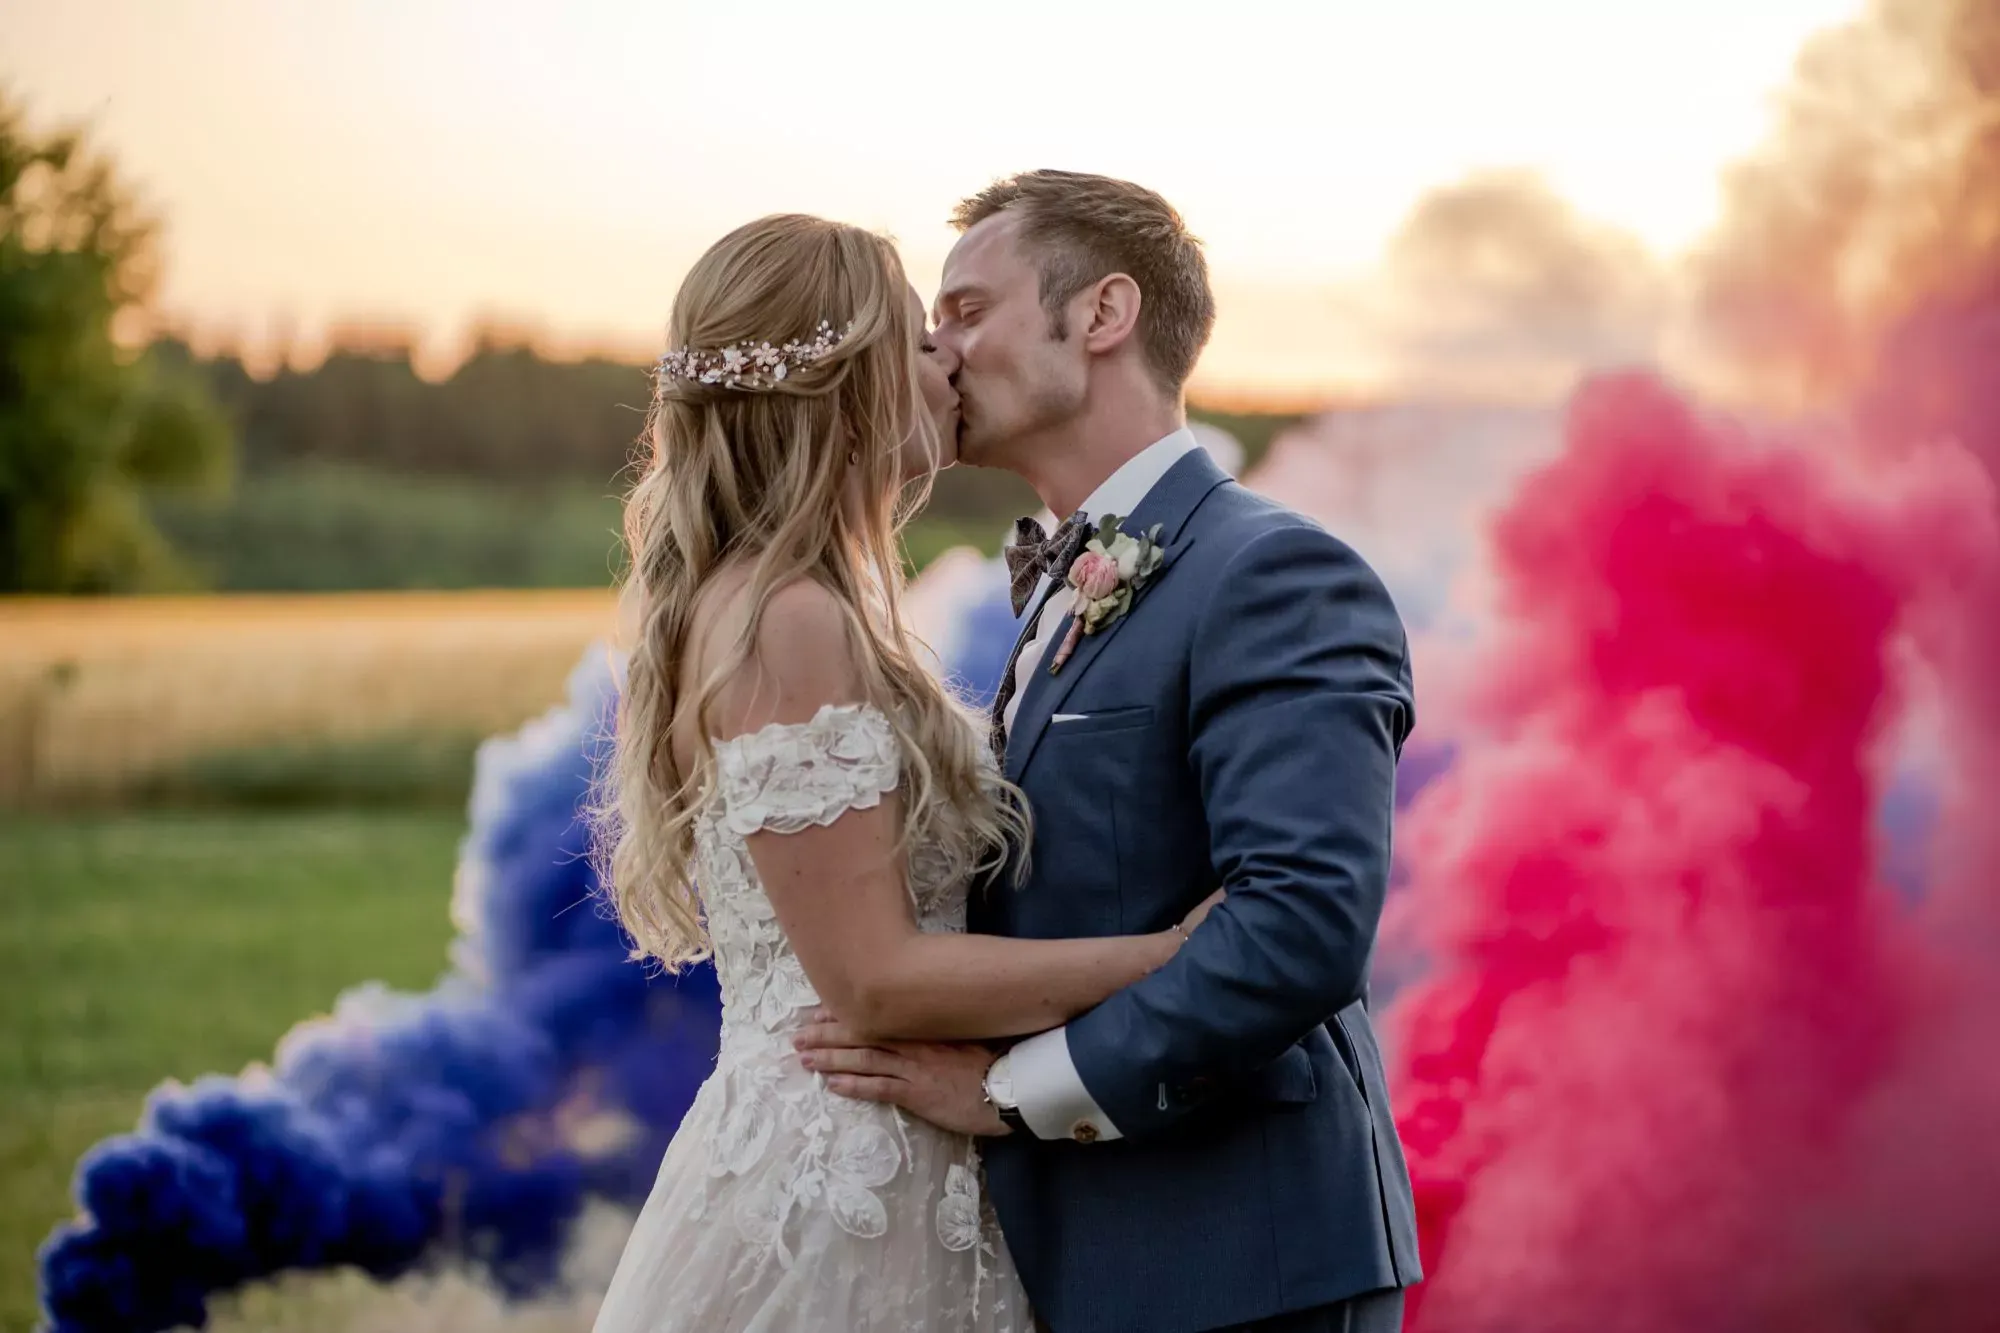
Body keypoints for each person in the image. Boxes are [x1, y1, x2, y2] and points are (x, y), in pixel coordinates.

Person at [794, 171, 1423, 1333]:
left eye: (967, 310)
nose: (934, 352)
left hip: (1242, 1258)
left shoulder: (1273, 573)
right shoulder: (1056, 584)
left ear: (1100, 315)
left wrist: (1005, 1094)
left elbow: (1298, 924)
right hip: (1083, 1249)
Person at [589, 212, 1219, 1333]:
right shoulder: (788, 619)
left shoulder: (793, 604)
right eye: (918, 337)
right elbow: (874, 980)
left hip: (884, 1145)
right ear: (849, 382)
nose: (946, 359)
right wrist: (1165, 956)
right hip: (843, 1181)